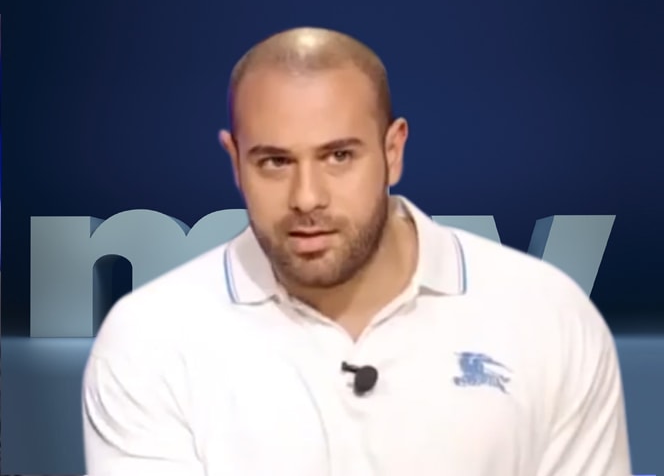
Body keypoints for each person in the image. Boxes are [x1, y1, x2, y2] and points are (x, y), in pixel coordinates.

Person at [82, 27, 632, 475]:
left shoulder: (546, 316)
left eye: (339, 156)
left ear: (393, 150)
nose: (307, 197)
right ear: (235, 161)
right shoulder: (151, 339)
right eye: (275, 162)